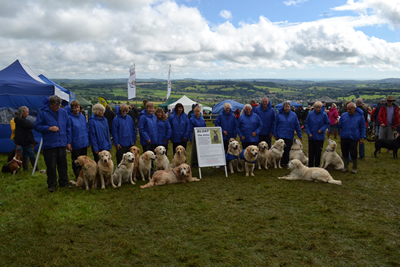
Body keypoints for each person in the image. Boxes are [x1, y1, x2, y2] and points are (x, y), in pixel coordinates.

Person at [33, 96, 70, 192]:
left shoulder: (63, 112)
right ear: (51, 104)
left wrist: (68, 141)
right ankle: (52, 184)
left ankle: (64, 182)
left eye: (59, 105)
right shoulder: (43, 113)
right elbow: (36, 126)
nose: (58, 107)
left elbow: (68, 127)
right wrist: (48, 128)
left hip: (61, 143)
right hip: (50, 144)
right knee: (51, 166)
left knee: (63, 164)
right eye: (56, 106)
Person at [336, 102, 366, 173]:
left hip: (354, 137)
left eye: (350, 109)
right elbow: (339, 125)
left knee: (354, 153)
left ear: (354, 109)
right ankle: (345, 167)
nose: (349, 110)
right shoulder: (343, 115)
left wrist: (362, 137)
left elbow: (363, 127)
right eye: (348, 109)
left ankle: (354, 168)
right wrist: (337, 124)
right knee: (345, 152)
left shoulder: (360, 116)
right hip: (344, 136)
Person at [274, 101, 302, 166]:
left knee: (288, 149)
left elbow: (297, 125)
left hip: (289, 134)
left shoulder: (293, 115)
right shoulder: (279, 114)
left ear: (290, 107)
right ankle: (280, 162)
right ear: (283, 107)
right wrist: (275, 134)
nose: (287, 108)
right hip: (281, 134)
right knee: (280, 149)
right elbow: (275, 125)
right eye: (285, 107)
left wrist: (299, 135)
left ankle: (286, 162)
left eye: (288, 107)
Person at [66, 100, 89, 179]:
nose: (76, 109)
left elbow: (85, 129)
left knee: (84, 160)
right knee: (76, 161)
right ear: (72, 108)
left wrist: (87, 140)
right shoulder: (70, 118)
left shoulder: (82, 116)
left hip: (84, 142)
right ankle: (78, 176)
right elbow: (69, 131)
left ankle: (84, 175)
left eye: (78, 107)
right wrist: (69, 143)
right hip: (76, 143)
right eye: (75, 108)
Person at [305, 101, 330, 167]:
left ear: (321, 107)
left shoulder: (324, 114)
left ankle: (317, 165)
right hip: (311, 136)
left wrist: (322, 129)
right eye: (316, 107)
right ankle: (310, 166)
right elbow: (306, 124)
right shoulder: (310, 114)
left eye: (319, 107)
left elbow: (327, 123)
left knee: (318, 152)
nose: (317, 109)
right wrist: (309, 133)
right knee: (311, 152)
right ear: (314, 107)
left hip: (320, 136)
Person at [14, 106, 38, 171]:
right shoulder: (21, 120)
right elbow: (29, 125)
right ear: (23, 113)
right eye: (27, 112)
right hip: (24, 140)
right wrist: (37, 125)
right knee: (31, 154)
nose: (28, 113)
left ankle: (26, 168)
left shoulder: (19, 119)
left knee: (25, 154)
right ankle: (36, 168)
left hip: (22, 140)